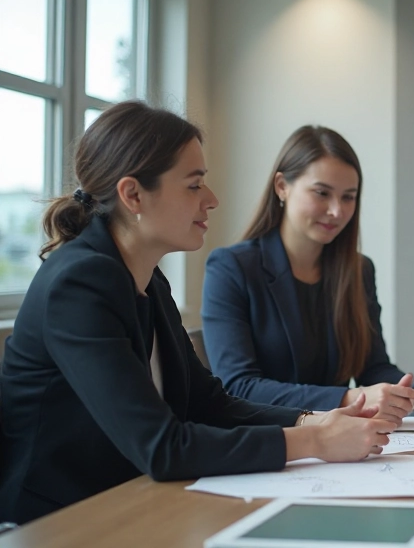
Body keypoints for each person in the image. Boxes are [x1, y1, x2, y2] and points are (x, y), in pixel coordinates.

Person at [0, 103, 394, 524]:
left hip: (129, 499)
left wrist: (314, 418)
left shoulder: (147, 278)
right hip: (53, 521)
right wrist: (314, 441)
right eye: (194, 185)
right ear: (132, 194)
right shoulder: (77, 284)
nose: (211, 200)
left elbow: (208, 403)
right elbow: (163, 447)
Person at [202, 126, 414, 423]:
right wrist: (348, 398)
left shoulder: (359, 270)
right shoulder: (231, 267)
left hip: (340, 444)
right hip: (267, 439)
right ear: (282, 186)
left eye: (348, 197)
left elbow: (373, 367)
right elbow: (238, 387)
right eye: (322, 193)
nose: (337, 211)